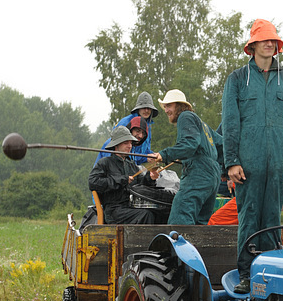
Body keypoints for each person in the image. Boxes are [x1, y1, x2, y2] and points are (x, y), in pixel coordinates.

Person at [222, 19, 283, 292]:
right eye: (265, 40)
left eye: (274, 41)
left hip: (279, 163)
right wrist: (231, 161)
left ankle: (270, 274)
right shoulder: (237, 80)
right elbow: (230, 122)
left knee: (272, 219)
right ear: (252, 45)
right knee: (249, 216)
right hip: (248, 165)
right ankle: (246, 274)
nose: (270, 44)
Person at [155, 89, 222, 225]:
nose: (166, 110)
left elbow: (190, 144)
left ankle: (178, 247)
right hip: (213, 176)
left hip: (198, 173)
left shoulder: (185, 116)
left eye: (169, 105)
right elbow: (222, 144)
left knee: (180, 220)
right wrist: (225, 170)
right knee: (199, 224)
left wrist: (163, 155)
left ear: (179, 105)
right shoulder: (203, 125)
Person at [88, 125, 160, 224]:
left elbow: (141, 185)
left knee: (157, 213)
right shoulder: (105, 163)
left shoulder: (131, 164)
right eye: (126, 143)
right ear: (116, 145)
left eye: (130, 143)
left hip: (131, 207)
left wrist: (150, 177)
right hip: (113, 211)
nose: (130, 146)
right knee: (145, 215)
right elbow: (93, 182)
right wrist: (122, 180)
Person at [95, 92, 158, 164]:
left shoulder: (148, 126)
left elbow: (145, 150)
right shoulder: (125, 123)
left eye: (149, 108)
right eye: (144, 108)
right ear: (138, 109)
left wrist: (155, 156)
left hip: (131, 165)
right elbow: (121, 151)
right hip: (112, 162)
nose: (146, 110)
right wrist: (145, 157)